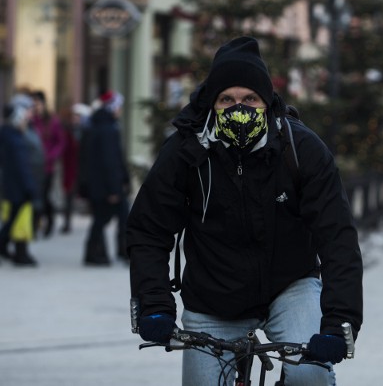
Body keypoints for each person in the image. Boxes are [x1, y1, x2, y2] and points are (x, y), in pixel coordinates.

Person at [127, 36, 363, 386]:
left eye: (250, 99)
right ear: (212, 104)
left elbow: (337, 238)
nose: (239, 108)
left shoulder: (301, 150)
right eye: (227, 100)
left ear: (267, 102)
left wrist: (337, 325)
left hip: (290, 286)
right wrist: (155, 306)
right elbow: (149, 229)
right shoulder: (186, 153)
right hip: (212, 299)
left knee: (309, 375)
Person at [80, 90, 130, 266]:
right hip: (107, 186)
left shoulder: (98, 125)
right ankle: (117, 252)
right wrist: (114, 189)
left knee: (101, 220)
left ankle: (94, 253)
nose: (120, 110)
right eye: (119, 107)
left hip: (101, 185)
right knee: (116, 218)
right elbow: (110, 161)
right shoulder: (108, 128)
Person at [0, 95, 39, 266]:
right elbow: (21, 167)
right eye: (26, 114)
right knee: (14, 223)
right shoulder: (14, 138)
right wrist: (30, 187)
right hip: (17, 189)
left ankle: (11, 250)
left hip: (14, 188)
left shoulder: (12, 135)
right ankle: (13, 251)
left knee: (12, 222)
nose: (28, 118)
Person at [31, 90, 65, 238]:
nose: (35, 107)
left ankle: (49, 221)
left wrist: (51, 156)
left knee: (44, 196)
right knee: (33, 196)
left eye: (37, 103)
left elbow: (61, 142)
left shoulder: (53, 120)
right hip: (32, 166)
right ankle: (33, 225)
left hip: (47, 166)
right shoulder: (30, 120)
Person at [59, 103, 91, 233]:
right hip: (70, 169)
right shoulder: (67, 132)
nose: (75, 119)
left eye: (78, 116)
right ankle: (67, 222)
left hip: (83, 169)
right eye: (74, 116)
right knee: (69, 197)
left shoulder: (87, 132)